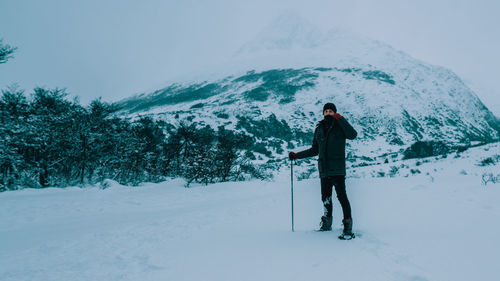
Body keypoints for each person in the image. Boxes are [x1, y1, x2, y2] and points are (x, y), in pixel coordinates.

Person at [289, 102, 358, 239]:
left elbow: (352, 134)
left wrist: (340, 118)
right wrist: (297, 155)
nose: (328, 113)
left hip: (337, 169)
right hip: (324, 170)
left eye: (331, 111)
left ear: (335, 112)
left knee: (342, 198)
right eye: (326, 111)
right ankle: (326, 224)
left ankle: (347, 227)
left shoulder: (340, 126)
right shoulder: (319, 128)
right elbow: (315, 150)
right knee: (325, 198)